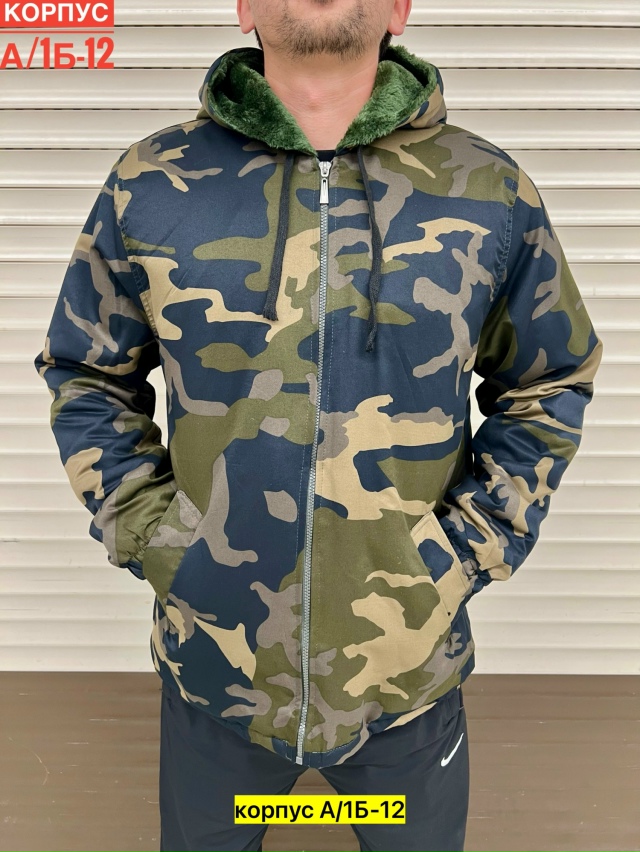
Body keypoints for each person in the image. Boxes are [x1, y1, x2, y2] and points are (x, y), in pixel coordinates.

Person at [33, 0, 604, 848]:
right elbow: (87, 373)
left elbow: (548, 379)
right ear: (243, 7)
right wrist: (158, 537)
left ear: (401, 7)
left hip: (405, 676)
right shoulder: (150, 182)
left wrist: (464, 551)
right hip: (216, 668)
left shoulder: (489, 189)